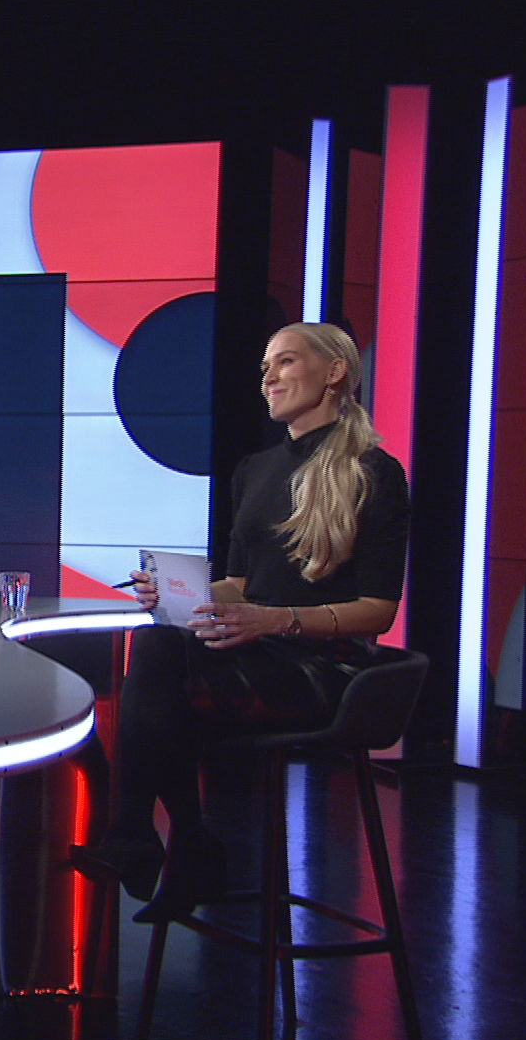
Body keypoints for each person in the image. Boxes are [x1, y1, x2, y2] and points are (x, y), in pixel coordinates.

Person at [72, 322, 411, 924]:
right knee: (159, 647)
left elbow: (379, 610)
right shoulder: (254, 469)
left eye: (285, 362)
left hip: (324, 669)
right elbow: (242, 584)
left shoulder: (374, 473)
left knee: (165, 676)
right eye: (264, 368)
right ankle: (174, 840)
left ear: (335, 372)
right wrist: (179, 590)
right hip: (258, 655)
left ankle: (157, 837)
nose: (268, 378)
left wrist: (274, 620)